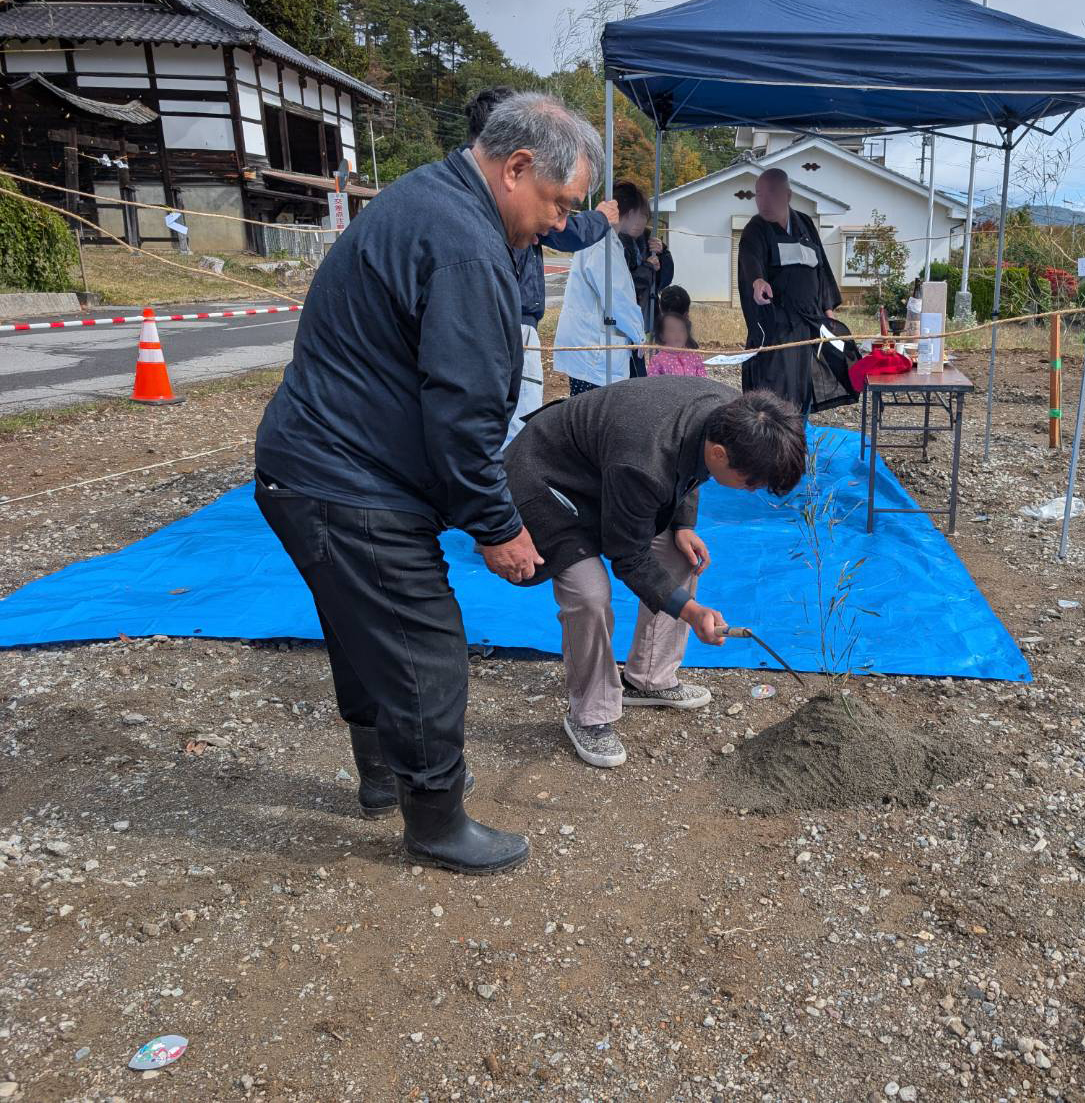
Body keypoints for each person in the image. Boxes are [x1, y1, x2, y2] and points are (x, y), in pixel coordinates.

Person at [254, 92, 604, 876]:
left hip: (312, 464)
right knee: (425, 648)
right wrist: (497, 527)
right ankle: (436, 818)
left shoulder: (438, 201)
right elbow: (465, 412)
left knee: (360, 626)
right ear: (515, 168)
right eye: (558, 203)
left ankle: (384, 775)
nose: (560, 223)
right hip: (343, 476)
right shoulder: (464, 246)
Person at [503, 379, 805, 769]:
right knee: (589, 593)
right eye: (752, 482)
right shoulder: (644, 460)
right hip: (546, 481)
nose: (753, 491)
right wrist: (691, 611)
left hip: (606, 473)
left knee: (683, 556)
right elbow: (628, 556)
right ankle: (590, 715)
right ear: (719, 452)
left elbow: (691, 468)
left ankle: (649, 678)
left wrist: (682, 525)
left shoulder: (731, 413)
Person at [464, 86, 618, 444]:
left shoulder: (465, 198)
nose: (558, 222)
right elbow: (567, 234)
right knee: (511, 423)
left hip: (516, 321)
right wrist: (599, 219)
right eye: (560, 206)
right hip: (512, 322)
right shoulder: (480, 217)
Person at [736, 168, 852, 411]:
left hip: (809, 324)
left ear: (788, 195)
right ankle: (772, 442)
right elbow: (750, 260)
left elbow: (821, 270)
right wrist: (757, 281)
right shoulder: (755, 228)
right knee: (774, 390)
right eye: (758, 194)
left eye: (771, 193)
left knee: (804, 387)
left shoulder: (806, 224)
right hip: (776, 326)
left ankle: (798, 438)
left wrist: (828, 309)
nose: (763, 200)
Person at [553, 182, 649, 396]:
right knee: (593, 417)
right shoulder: (601, 243)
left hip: (589, 347)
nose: (642, 222)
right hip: (593, 349)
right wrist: (638, 334)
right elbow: (616, 297)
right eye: (640, 215)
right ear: (630, 213)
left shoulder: (607, 241)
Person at [613, 180, 674, 334]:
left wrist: (663, 255)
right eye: (635, 215)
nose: (638, 222)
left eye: (643, 217)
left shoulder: (649, 240)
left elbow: (663, 282)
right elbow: (626, 285)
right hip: (622, 320)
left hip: (646, 315)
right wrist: (647, 267)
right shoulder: (614, 243)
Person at [647, 310, 706, 377]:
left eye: (682, 330)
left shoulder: (694, 357)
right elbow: (653, 383)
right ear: (662, 336)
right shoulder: (657, 361)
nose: (678, 334)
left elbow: (703, 381)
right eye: (672, 330)